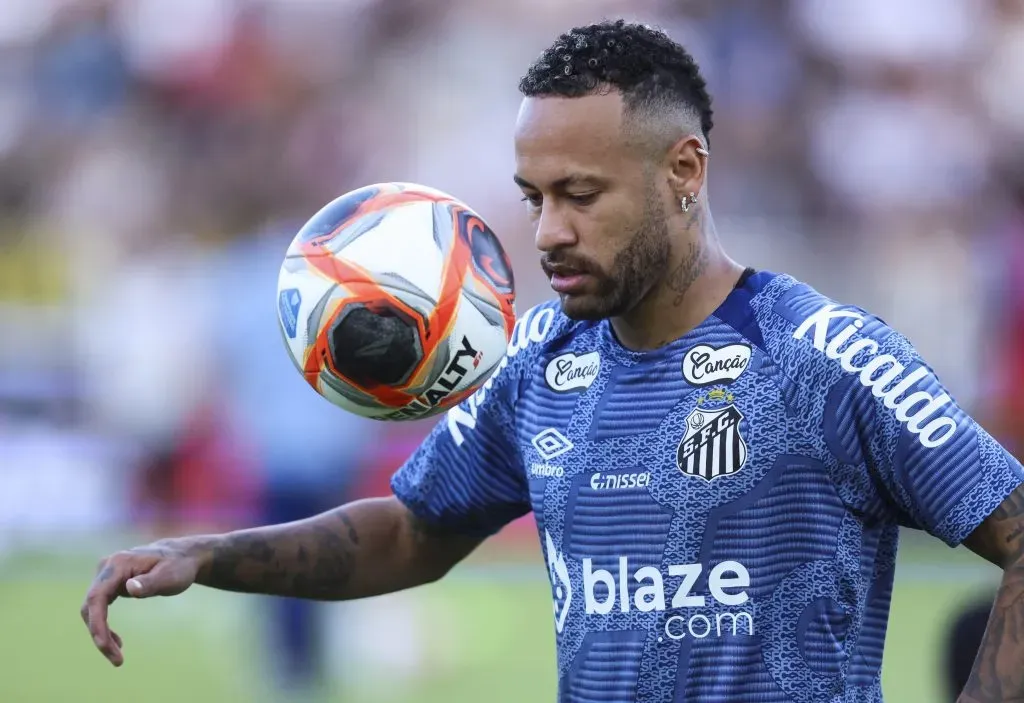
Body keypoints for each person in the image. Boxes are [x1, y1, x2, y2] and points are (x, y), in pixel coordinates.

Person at [82, 20, 1024, 702]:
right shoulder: (541, 360)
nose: (549, 232)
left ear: (684, 172)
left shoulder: (823, 357)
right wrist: (208, 553)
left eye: (581, 194)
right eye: (534, 197)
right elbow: (413, 530)